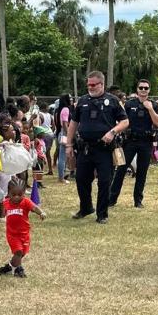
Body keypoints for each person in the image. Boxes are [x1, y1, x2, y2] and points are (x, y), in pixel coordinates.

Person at [65, 72, 128, 225]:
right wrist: (68, 144)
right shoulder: (82, 101)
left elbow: (125, 121)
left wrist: (113, 132)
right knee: (81, 179)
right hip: (85, 147)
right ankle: (86, 207)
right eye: (88, 85)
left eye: (93, 85)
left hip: (104, 148)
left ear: (102, 84)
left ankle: (102, 214)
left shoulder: (112, 101)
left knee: (105, 181)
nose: (90, 87)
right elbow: (73, 123)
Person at [109, 79, 158, 209]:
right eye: (141, 88)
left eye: (146, 88)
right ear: (137, 89)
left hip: (146, 141)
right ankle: (112, 199)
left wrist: (150, 109)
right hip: (130, 141)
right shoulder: (129, 104)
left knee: (142, 172)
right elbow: (121, 120)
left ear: (149, 90)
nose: (143, 90)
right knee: (121, 170)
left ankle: (138, 200)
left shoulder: (153, 105)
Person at [0, 178, 45, 278]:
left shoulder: (26, 202)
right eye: (13, 194)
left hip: (24, 234)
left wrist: (41, 212)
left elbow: (34, 207)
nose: (17, 197)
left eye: (20, 194)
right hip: (12, 234)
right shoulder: (6, 203)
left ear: (24, 193)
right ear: (8, 193)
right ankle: (18, 269)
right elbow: (3, 213)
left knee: (22, 253)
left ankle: (9, 267)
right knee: (18, 252)